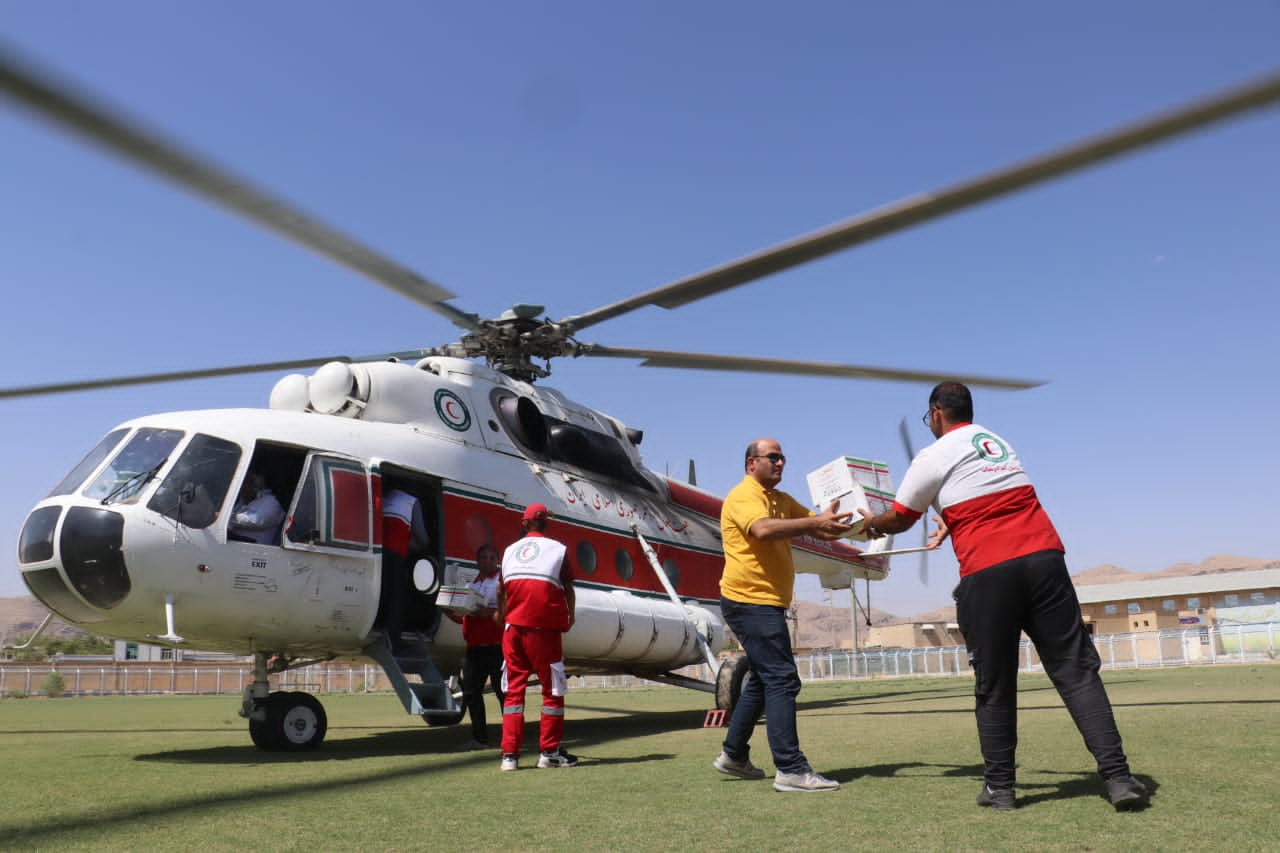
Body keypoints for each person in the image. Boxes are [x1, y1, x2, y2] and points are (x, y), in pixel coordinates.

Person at [860, 381, 1148, 811]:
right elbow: (991, 502)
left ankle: (1001, 788)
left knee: (994, 684)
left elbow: (901, 517)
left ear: (937, 413)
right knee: (1076, 671)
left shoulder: (931, 455)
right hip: (1045, 559)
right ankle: (1119, 778)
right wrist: (952, 522)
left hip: (989, 571)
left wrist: (871, 523)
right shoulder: (994, 442)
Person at [714, 438, 854, 793]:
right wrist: (813, 524)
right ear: (751, 463)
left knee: (763, 680)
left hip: (765, 602)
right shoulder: (744, 496)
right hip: (750, 600)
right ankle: (791, 768)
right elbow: (761, 529)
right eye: (772, 457)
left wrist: (854, 523)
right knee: (783, 679)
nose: (780, 463)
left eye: (783, 458)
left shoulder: (781, 500)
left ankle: (733, 754)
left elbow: (817, 525)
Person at [497, 503, 576, 771]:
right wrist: (570, 616)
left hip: (513, 630)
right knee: (552, 690)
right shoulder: (557, 549)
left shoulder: (508, 552)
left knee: (513, 693)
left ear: (524, 523)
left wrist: (502, 616)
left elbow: (501, 592)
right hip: (544, 631)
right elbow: (568, 588)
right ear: (546, 523)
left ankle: (510, 756)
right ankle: (549, 752)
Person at [457, 543, 506, 749]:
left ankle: (513, 736)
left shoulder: (502, 583)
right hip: (474, 647)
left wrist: (487, 612)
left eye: (491, 558)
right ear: (477, 561)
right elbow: (464, 617)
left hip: (497, 646)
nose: (487, 561)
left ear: (497, 561)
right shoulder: (472, 587)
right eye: (483, 558)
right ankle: (480, 738)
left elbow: (503, 613)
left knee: (502, 691)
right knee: (470, 692)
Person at [382, 486, 430, 654]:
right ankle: (394, 640)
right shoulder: (411, 501)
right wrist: (408, 544)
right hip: (395, 554)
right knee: (397, 597)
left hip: (377, 554)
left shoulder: (383, 498)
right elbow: (423, 539)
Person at [228, 473, 285, 545]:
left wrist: (227, 517)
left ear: (256, 485)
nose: (242, 487)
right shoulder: (242, 501)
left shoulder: (271, 501)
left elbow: (256, 519)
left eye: (246, 483)